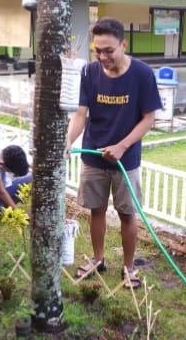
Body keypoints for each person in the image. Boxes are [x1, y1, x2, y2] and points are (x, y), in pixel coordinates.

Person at [65, 18, 161, 289]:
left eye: (109, 50)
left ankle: (129, 266)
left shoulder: (142, 74)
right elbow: (81, 114)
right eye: (97, 50)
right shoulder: (89, 73)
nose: (102, 56)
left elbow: (148, 119)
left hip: (125, 159)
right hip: (94, 156)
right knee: (97, 210)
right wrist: (68, 140)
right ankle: (98, 259)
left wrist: (122, 146)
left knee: (127, 213)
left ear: (123, 44)